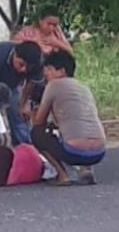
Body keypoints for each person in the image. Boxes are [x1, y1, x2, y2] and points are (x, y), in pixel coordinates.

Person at [31, 50, 105, 186]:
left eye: (49, 69)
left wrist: (32, 112)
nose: (45, 74)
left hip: (75, 151)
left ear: (61, 71)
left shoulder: (53, 85)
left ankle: (63, 175)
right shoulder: (83, 87)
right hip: (99, 152)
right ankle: (86, 169)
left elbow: (39, 122)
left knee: (37, 134)